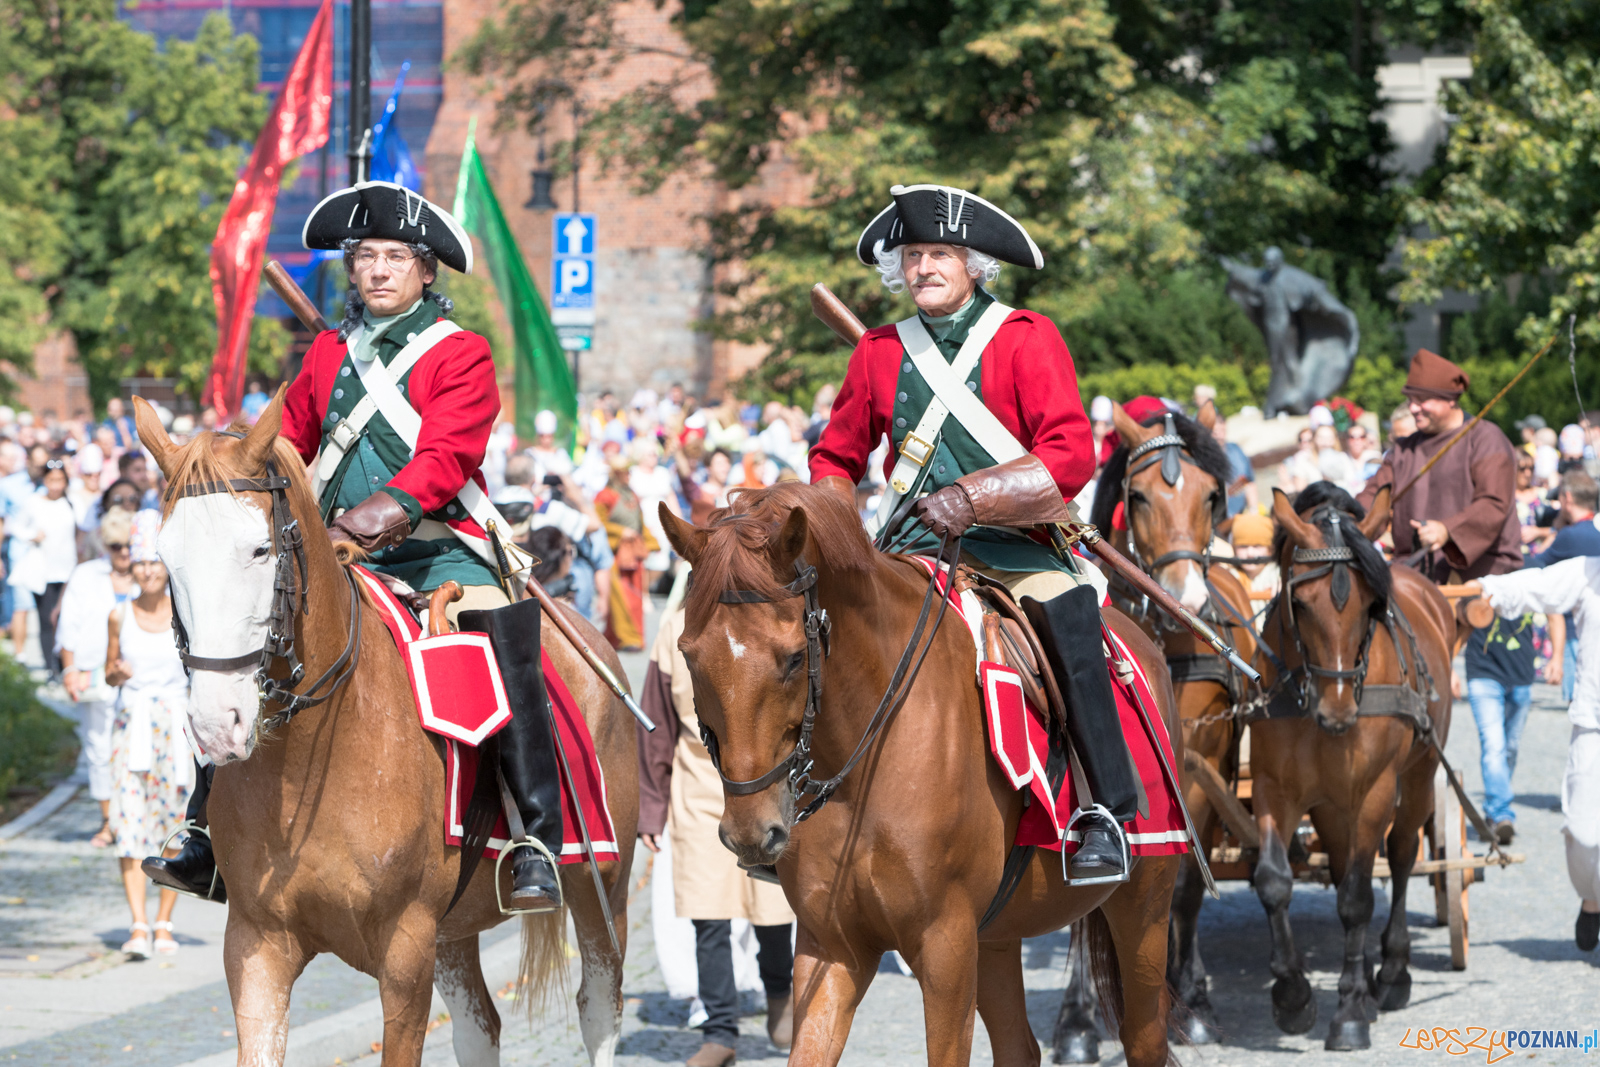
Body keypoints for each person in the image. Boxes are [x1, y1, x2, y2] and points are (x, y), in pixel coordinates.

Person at [147, 181, 564, 914]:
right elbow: (293, 444)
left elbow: (446, 458)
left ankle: (536, 836)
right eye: (365, 256)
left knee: (506, 641)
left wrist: (363, 523)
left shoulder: (462, 353)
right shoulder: (328, 351)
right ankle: (205, 833)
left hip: (441, 551)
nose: (377, 269)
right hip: (337, 552)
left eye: (394, 257)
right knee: (238, 638)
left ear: (425, 270)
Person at [806, 182, 1139, 879]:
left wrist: (970, 497)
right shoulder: (877, 351)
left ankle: (1104, 811)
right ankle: (804, 801)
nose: (924, 267)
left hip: (1014, 548)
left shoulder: (1027, 336)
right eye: (915, 255)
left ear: (973, 266)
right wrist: (836, 533)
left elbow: (1069, 454)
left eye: (941, 254)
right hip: (907, 553)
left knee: (1070, 615)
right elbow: (836, 456)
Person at [639, 604, 795, 1066]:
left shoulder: (770, 615)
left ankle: (781, 995)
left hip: (766, 784)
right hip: (699, 787)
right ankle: (720, 1029)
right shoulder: (676, 626)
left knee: (773, 909)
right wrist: (651, 810)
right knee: (708, 916)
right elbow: (656, 724)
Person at [1469, 557, 1600, 951]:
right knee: (1583, 832)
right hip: (1594, 720)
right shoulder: (1586, 572)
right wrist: (1491, 590)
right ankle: (1591, 898)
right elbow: (1537, 586)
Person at [106, 511, 193, 959]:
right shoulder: (118, 615)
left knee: (174, 830)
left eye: (155, 562)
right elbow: (109, 672)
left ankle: (165, 922)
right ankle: (138, 922)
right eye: (140, 562)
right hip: (132, 729)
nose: (148, 570)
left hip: (176, 734)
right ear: (132, 567)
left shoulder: (185, 614)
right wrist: (116, 673)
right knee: (129, 826)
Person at [1357, 349, 1522, 584]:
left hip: (1481, 571)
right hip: (1411, 571)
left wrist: (1447, 530)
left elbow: (1493, 504)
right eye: (1411, 400)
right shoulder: (1404, 449)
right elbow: (1373, 497)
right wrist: (1345, 520)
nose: (1413, 408)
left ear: (1451, 399)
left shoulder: (1486, 439)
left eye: (1422, 400)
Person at [58, 506, 138, 847]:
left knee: (137, 745)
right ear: (105, 546)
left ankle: (137, 815)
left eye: (128, 545)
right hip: (93, 672)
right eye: (116, 545)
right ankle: (109, 820)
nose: (123, 552)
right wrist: (69, 668)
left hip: (138, 676)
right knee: (98, 747)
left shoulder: (151, 575)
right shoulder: (86, 575)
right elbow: (69, 624)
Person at [1528, 471, 1600, 703]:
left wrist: (1553, 531)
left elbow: (1533, 567)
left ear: (1567, 498)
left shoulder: (1569, 536)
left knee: (1579, 703)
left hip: (1574, 630)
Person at [9, 458, 78, 679]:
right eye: (51, 480)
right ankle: (51, 667)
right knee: (47, 618)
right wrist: (31, 535)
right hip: (44, 570)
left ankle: (65, 663)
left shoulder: (71, 502)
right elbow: (16, 525)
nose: (56, 485)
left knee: (66, 618)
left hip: (68, 569)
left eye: (60, 480)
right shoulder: (34, 502)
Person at [1209, 407, 1257, 516]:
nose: (1218, 433)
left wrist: (1254, 510)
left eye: (1221, 426)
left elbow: (1249, 482)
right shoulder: (1204, 456)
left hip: (1241, 515)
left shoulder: (1236, 450)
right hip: (1215, 517)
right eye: (1214, 430)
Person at [1224, 511, 1280, 605]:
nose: (1250, 553)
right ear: (1234, 549)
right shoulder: (1227, 577)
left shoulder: (1280, 575)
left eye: (1257, 546)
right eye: (1243, 546)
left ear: (1270, 549)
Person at [1279, 427, 1320, 494]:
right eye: (1301, 440)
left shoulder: (1321, 458)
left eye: (1309, 440)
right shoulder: (1289, 462)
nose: (1304, 443)